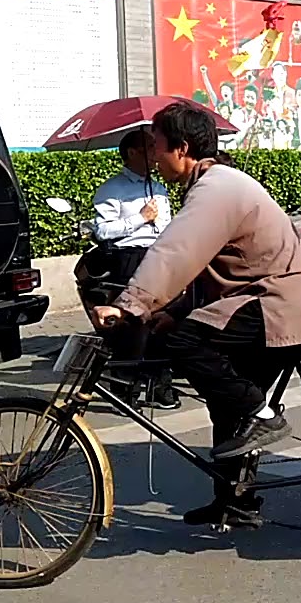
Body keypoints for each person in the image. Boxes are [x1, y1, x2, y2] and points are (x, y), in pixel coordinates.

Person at [90, 102, 301, 526]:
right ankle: (236, 501)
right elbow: (208, 264)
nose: (155, 156)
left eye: (159, 145)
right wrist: (172, 309)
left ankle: (264, 416)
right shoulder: (212, 184)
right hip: (261, 303)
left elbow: (176, 251)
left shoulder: (216, 187)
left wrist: (131, 306)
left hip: (277, 308)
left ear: (181, 148)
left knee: (187, 345)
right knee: (224, 405)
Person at [89, 129, 178, 409]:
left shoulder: (159, 187)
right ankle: (124, 390)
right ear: (132, 152)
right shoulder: (112, 189)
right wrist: (139, 219)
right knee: (130, 327)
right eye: (148, 148)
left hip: (159, 256)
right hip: (129, 258)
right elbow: (102, 230)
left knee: (162, 323)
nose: (155, 153)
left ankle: (159, 387)